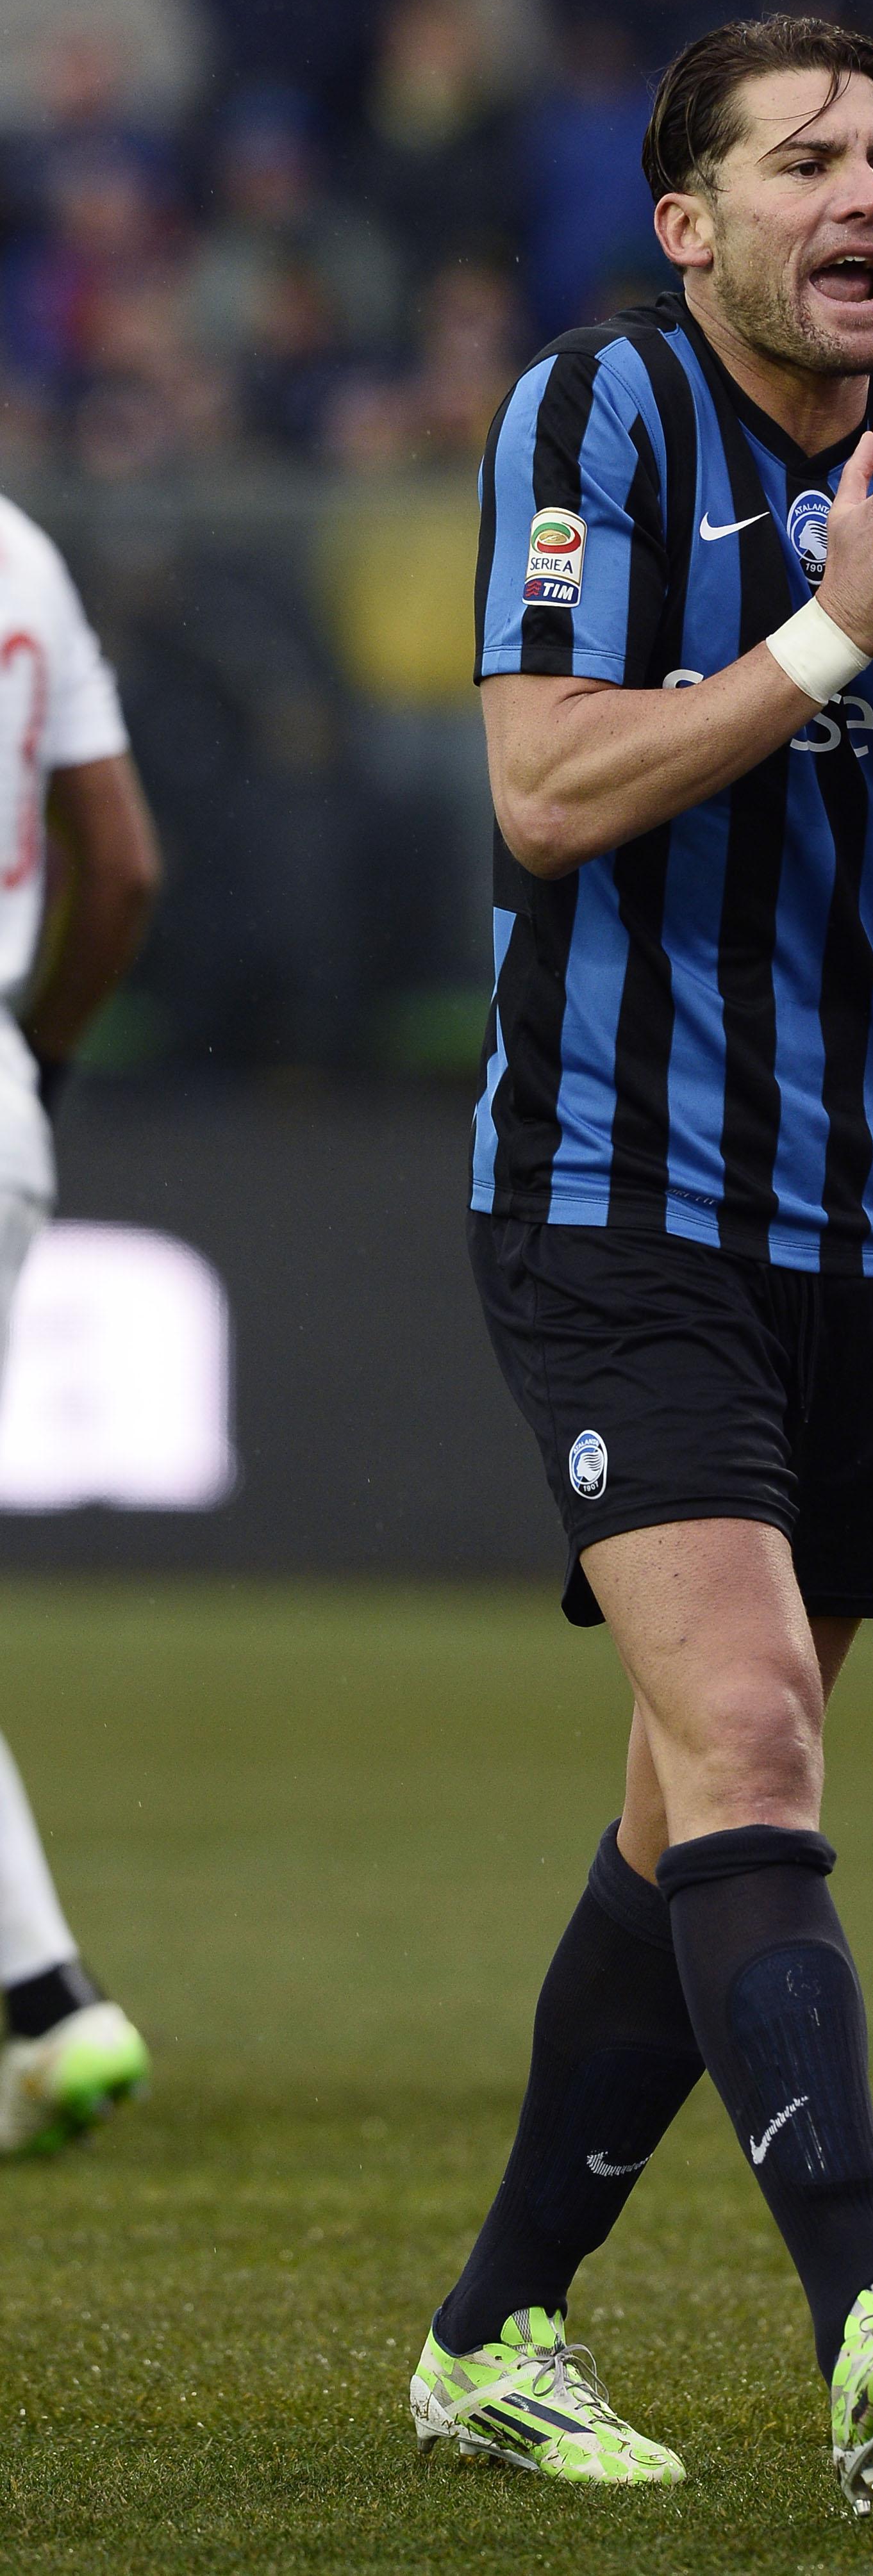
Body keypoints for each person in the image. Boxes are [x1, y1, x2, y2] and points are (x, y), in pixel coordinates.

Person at [412, 13, 873, 2511]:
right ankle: (870, 2312)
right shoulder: (598, 415)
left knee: (690, 1806)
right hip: (620, 1188)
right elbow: (544, 790)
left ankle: (491, 2330)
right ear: (689, 219)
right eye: (807, 158)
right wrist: (834, 633)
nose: (866, 197)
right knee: (750, 1735)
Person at [0, 494, 161, 2157]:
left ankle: (50, 1997)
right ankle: (48, 1996)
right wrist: (33, 1067)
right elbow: (121, 868)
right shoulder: (25, 551)